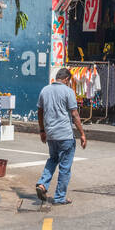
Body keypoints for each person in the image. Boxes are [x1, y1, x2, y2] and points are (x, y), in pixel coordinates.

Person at [36, 67, 88, 205]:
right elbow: (75, 114)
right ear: (66, 79)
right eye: (68, 81)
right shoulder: (68, 91)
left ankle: (42, 184)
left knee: (53, 159)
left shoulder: (44, 90)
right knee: (65, 167)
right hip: (65, 135)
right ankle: (60, 197)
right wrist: (82, 134)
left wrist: (42, 130)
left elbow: (40, 112)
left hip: (51, 135)